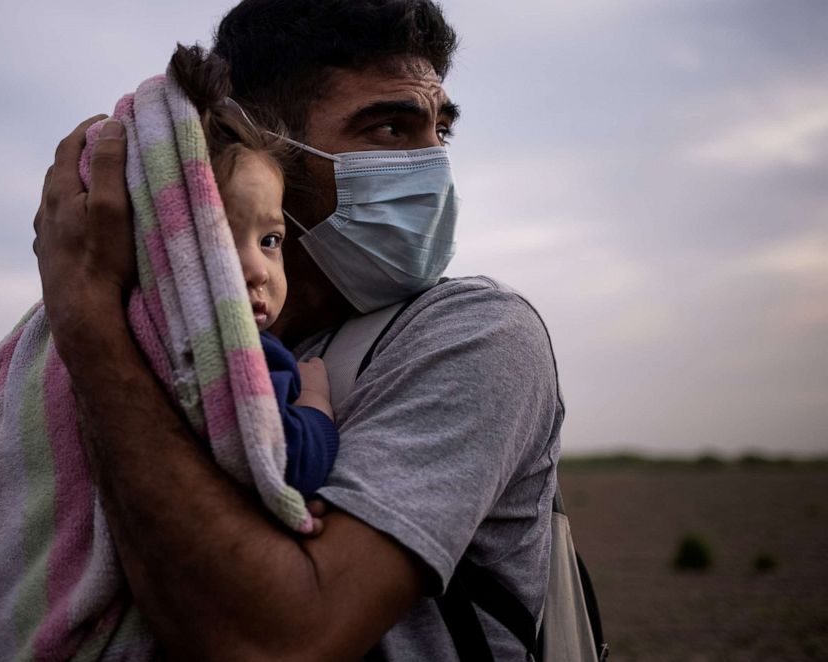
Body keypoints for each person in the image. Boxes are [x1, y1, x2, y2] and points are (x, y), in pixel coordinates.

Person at [33, 0, 563, 659]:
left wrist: (87, 321)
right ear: (268, 150)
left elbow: (277, 643)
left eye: (441, 133)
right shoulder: (192, 341)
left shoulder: (477, 333)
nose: (434, 168)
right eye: (393, 130)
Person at [173, 45, 339, 498]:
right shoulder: (249, 355)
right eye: (219, 241)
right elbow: (292, 462)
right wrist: (315, 406)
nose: (256, 270)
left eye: (270, 241)